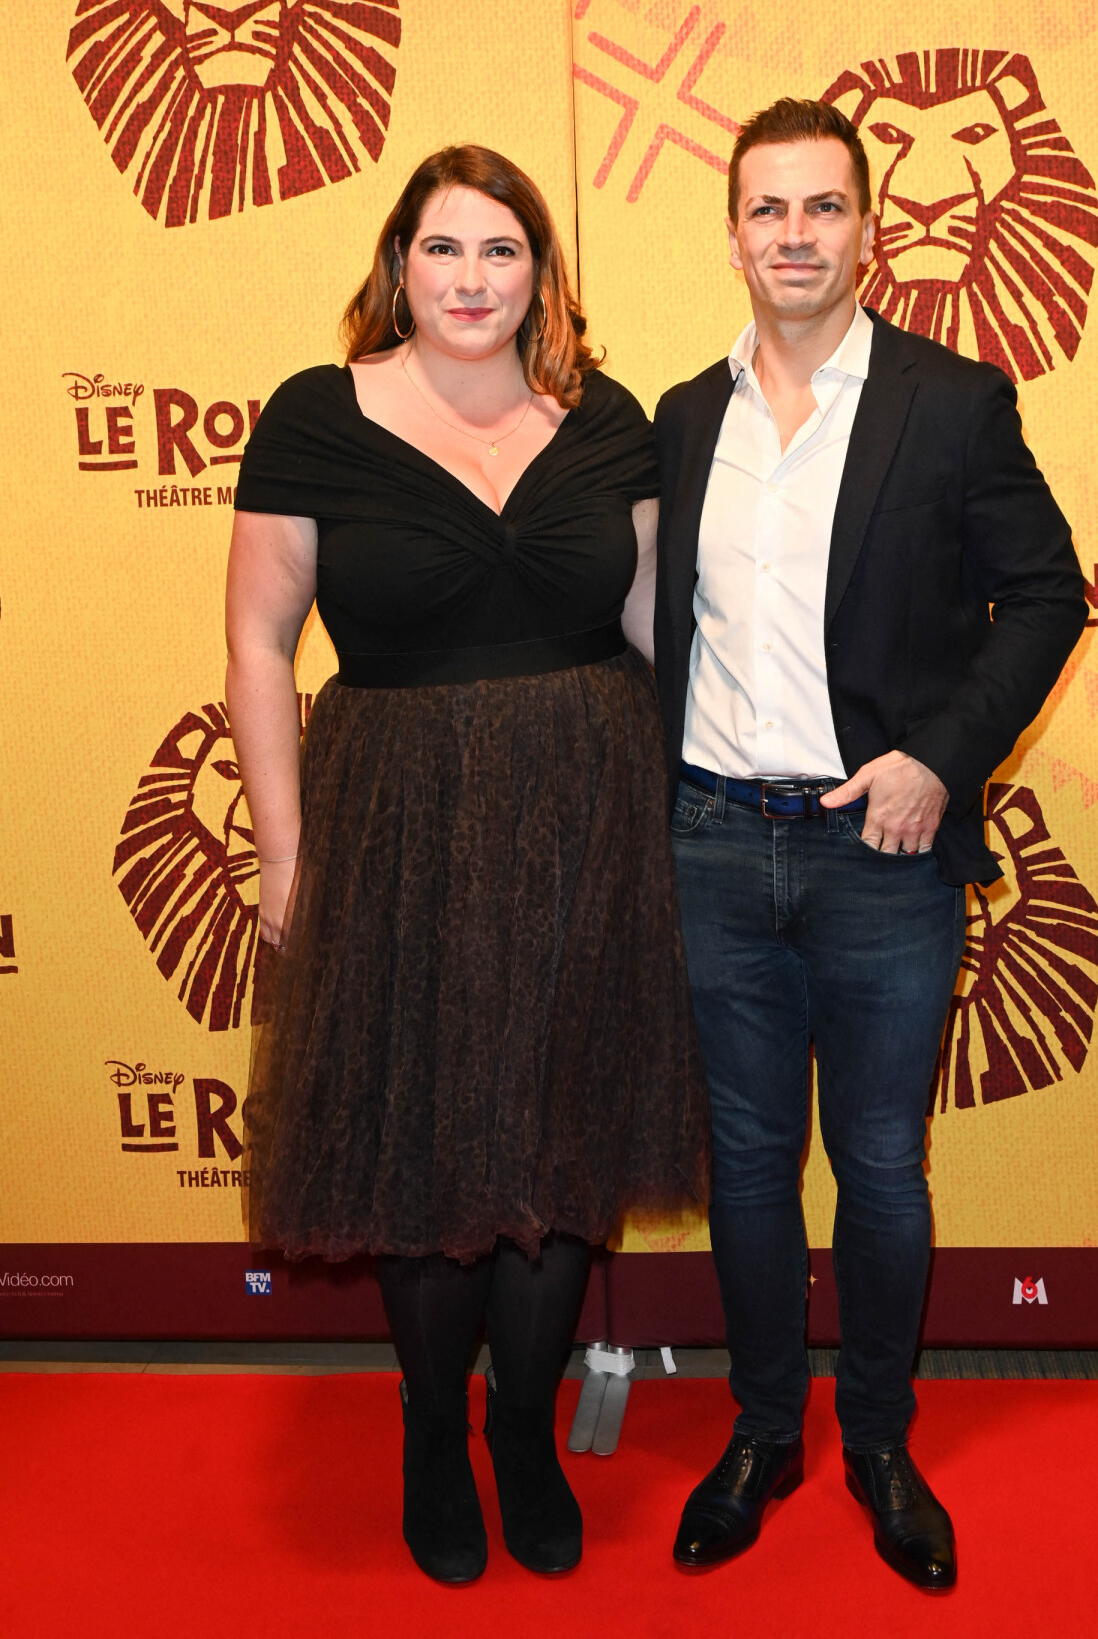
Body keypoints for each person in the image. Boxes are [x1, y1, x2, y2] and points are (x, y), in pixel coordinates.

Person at [225, 145, 708, 1586]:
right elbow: (259, 642)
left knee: (561, 1144)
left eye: (502, 252)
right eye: (444, 250)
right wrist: (285, 846)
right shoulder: (315, 419)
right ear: (397, 266)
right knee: (424, 1144)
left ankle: (523, 1430)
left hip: (587, 814)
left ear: (540, 274)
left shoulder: (609, 422)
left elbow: (654, 628)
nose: (472, 280)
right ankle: (432, 1428)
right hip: (396, 826)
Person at [653, 99, 1086, 1589]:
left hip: (880, 854)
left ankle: (882, 1438)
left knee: (883, 1164)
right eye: (767, 210)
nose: (794, 236)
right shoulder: (683, 415)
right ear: (731, 234)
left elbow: (1042, 598)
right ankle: (768, 1429)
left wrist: (941, 761)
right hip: (713, 839)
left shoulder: (954, 400)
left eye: (823, 208)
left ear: (868, 227)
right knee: (754, 1163)